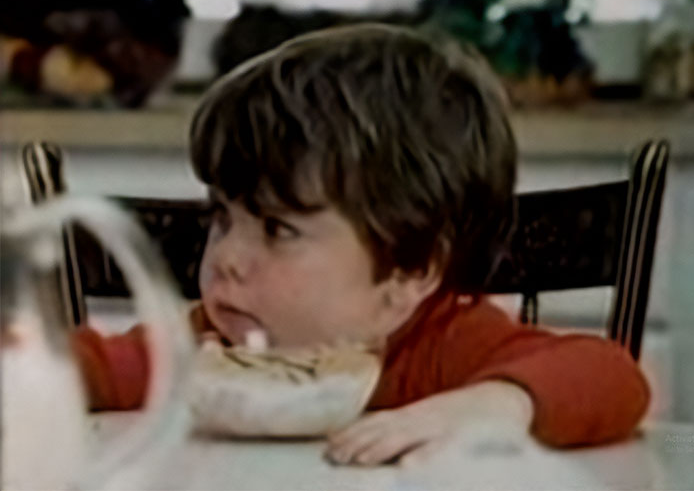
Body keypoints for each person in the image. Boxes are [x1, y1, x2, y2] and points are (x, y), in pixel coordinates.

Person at [71, 23, 649, 466]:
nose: (224, 259)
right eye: (221, 218)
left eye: (277, 229)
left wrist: (497, 404)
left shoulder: (447, 346)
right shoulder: (206, 349)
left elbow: (612, 376)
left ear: (408, 272)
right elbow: (79, 366)